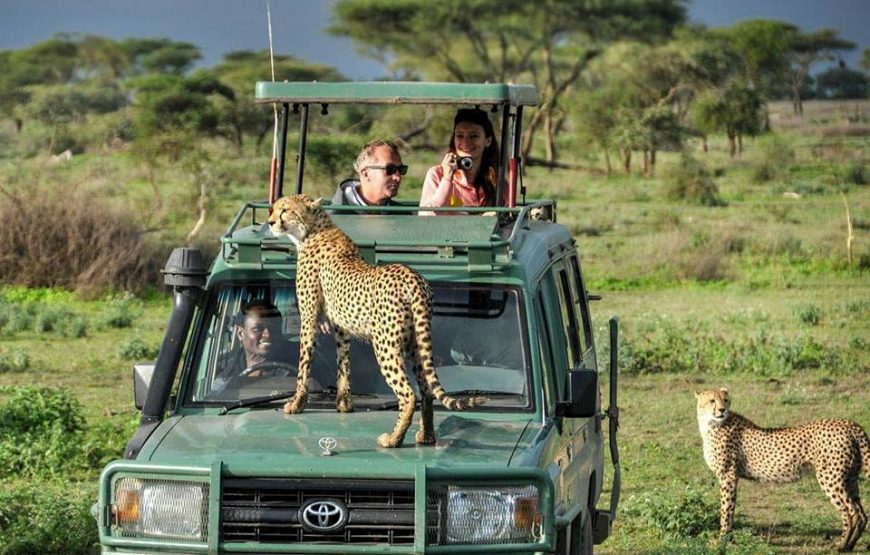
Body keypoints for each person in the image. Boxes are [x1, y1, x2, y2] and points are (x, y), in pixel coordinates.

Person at [419, 108, 499, 215]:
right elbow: (427, 216)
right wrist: (447, 179)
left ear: (488, 141)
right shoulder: (437, 174)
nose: (466, 142)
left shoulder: (496, 180)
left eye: (474, 136)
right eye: (460, 136)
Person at [214, 299, 297, 389]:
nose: (268, 334)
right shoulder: (225, 380)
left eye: (274, 327)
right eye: (258, 329)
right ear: (240, 333)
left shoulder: (303, 363)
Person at [332, 139, 406, 209]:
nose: (398, 177)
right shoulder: (334, 216)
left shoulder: (403, 216)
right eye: (390, 169)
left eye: (401, 169)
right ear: (366, 174)